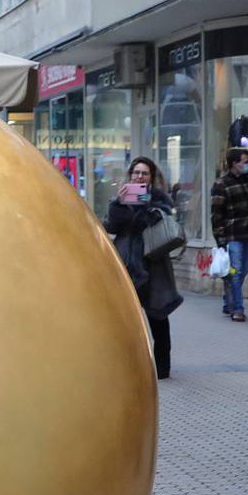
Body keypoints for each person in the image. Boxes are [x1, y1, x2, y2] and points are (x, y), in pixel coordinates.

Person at [106, 157, 183, 379]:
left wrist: (147, 205)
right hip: (126, 266)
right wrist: (118, 204)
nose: (139, 177)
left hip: (153, 264)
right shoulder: (121, 198)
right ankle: (128, 365)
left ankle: (162, 367)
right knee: (126, 319)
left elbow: (162, 223)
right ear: (130, 175)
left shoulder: (160, 199)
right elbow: (111, 225)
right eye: (136, 173)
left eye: (144, 173)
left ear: (151, 177)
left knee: (158, 316)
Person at [210, 147, 248, 322]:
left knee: (244, 269)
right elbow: (216, 215)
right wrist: (220, 239)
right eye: (245, 162)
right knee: (236, 271)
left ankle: (228, 299)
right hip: (233, 235)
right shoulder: (221, 184)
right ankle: (237, 308)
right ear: (234, 164)